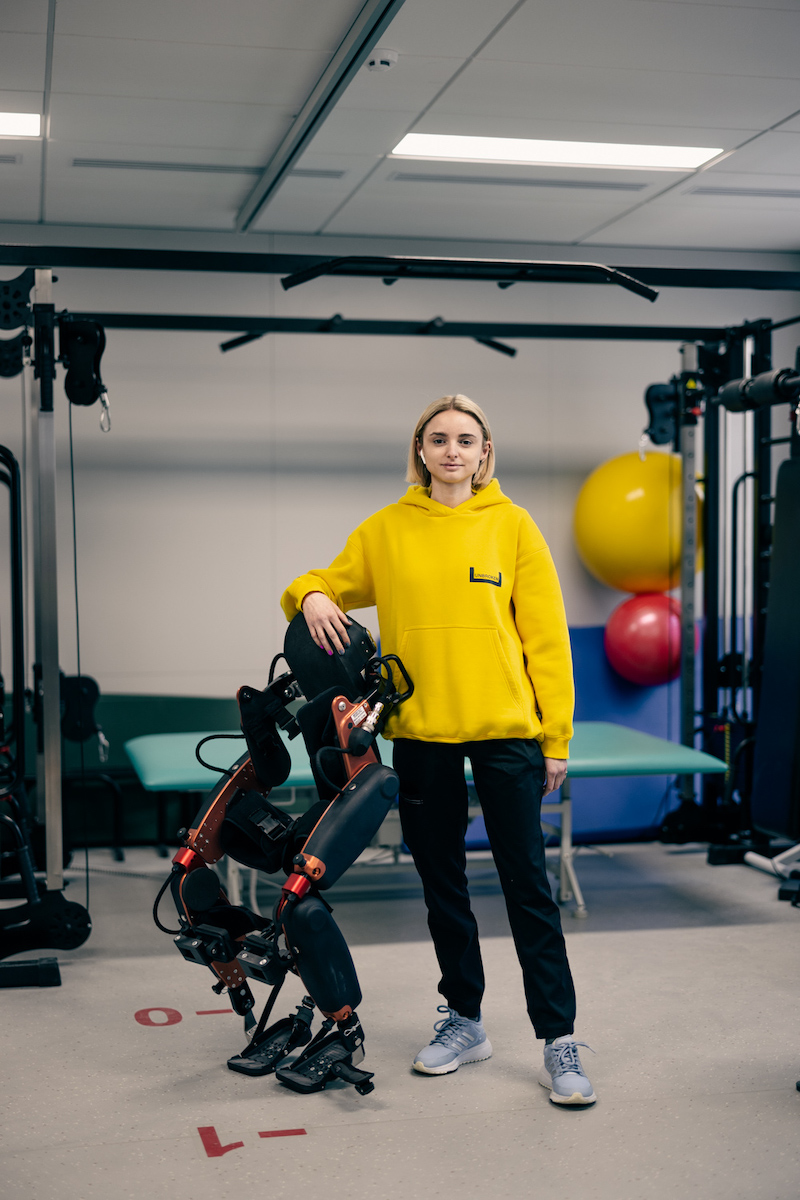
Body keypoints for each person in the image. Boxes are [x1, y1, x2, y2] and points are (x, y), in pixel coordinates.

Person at [280, 394, 595, 1106]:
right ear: (420, 450)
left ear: (486, 452)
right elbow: (322, 582)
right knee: (442, 886)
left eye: (466, 439)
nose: (453, 450)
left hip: (507, 732)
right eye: (439, 438)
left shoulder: (514, 528)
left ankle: (559, 1039)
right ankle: (465, 1020)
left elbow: (548, 642)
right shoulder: (388, 530)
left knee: (528, 890)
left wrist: (557, 738)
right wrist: (311, 597)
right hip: (421, 735)